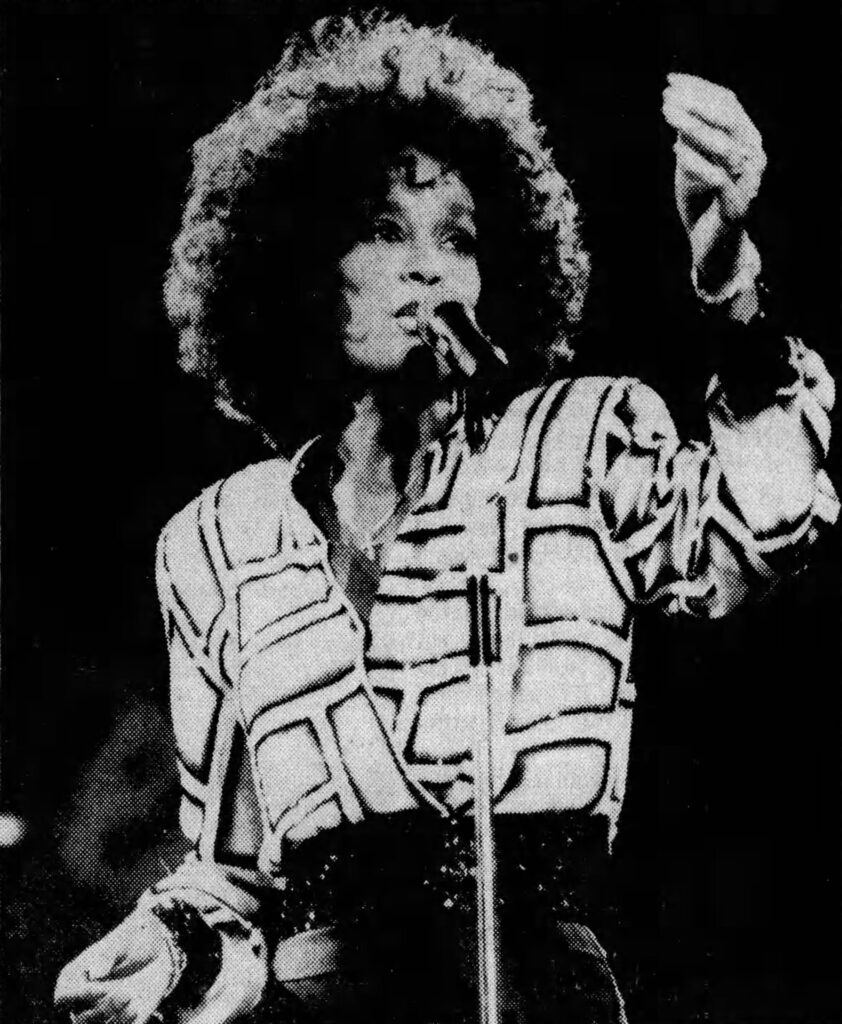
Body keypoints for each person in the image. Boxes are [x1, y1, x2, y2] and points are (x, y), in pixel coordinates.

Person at [54, 11, 837, 1024]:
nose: (427, 266)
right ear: (300, 261)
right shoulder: (216, 543)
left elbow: (760, 529)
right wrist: (163, 953)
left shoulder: (576, 441)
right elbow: (232, 876)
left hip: (537, 990)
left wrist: (727, 278)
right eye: (384, 231)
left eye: (457, 237)